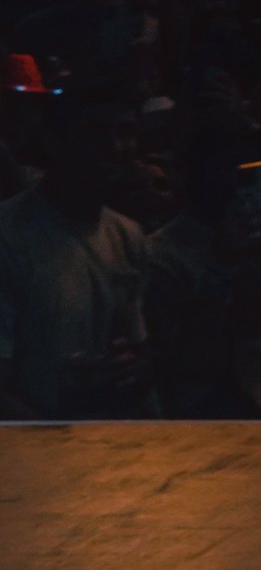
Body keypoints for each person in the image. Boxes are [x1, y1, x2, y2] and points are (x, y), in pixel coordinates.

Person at [0, 92, 160, 418]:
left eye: (126, 133)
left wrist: (135, 369)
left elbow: (136, 345)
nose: (116, 147)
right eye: (96, 133)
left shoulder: (127, 235)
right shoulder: (9, 236)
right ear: (54, 141)